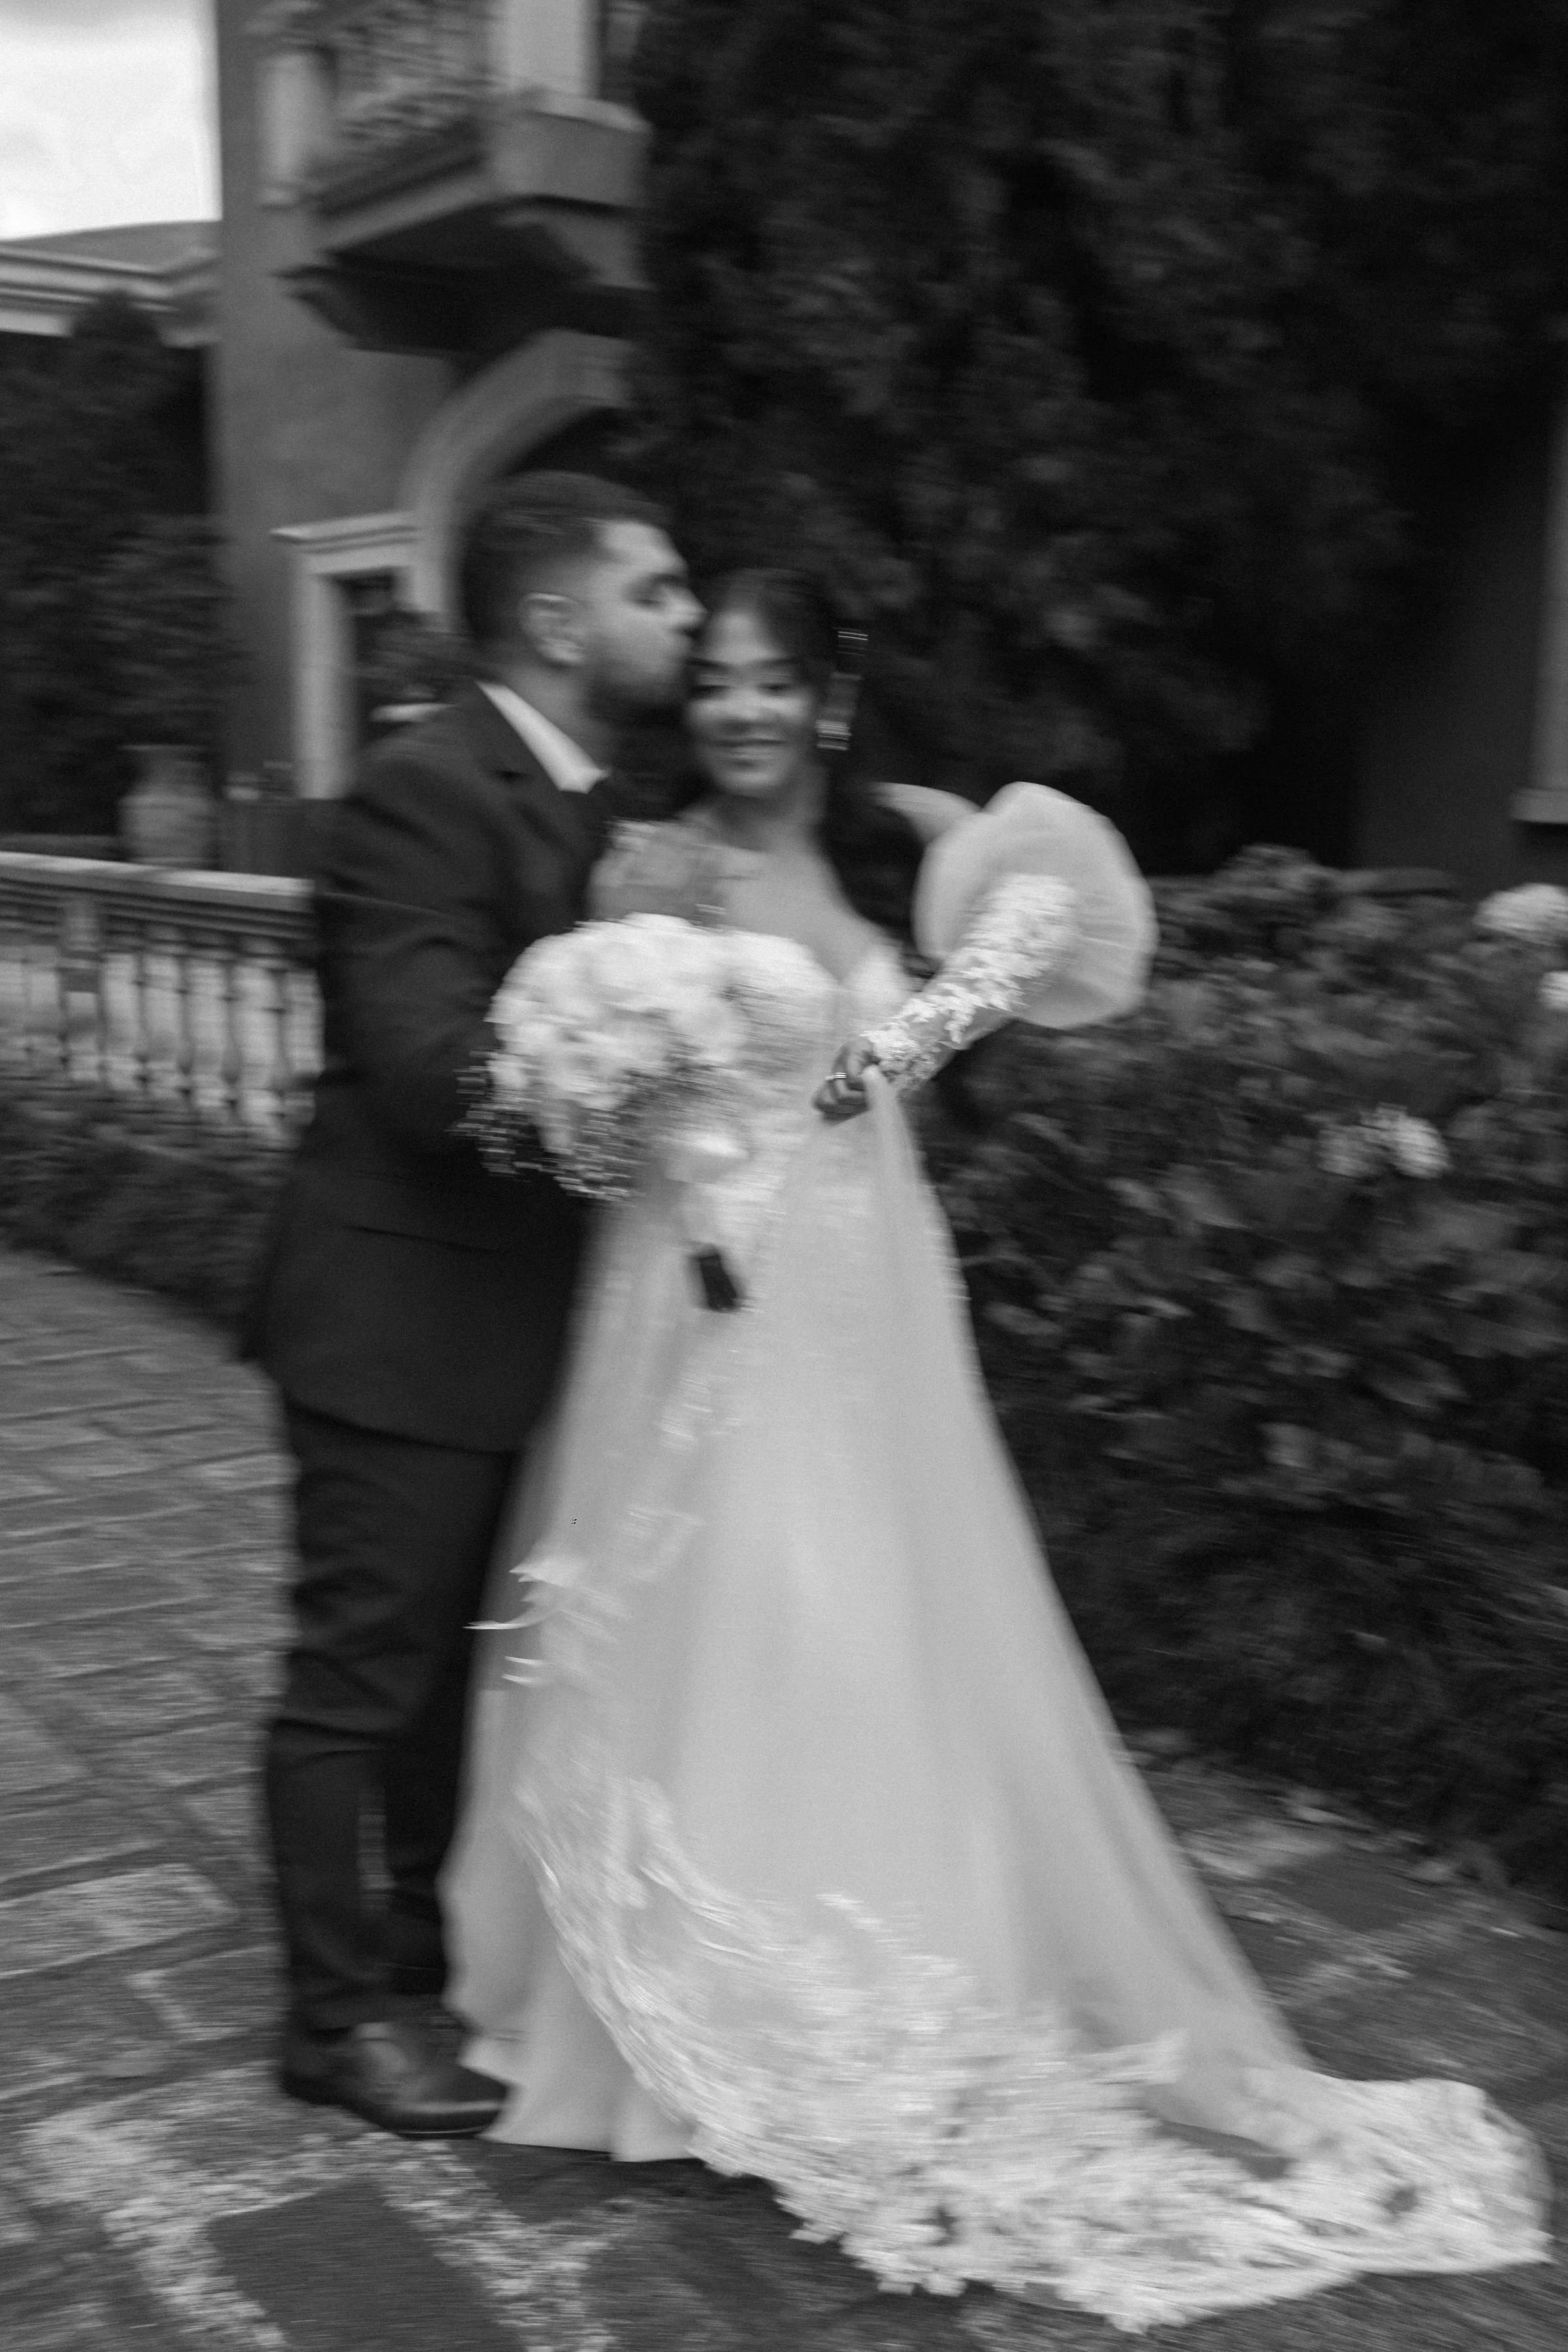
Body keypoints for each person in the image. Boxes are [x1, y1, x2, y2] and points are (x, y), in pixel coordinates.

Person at [442, 570, 1546, 2330]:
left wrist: (927, 1017)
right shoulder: (649, 864)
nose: (734, 709)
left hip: (863, 1292)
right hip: (692, 1294)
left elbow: (1023, 956)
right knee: (724, 1611)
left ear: (828, 693)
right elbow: (619, 1105)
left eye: (770, 679)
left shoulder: (917, 842)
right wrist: (653, 1119)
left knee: (871, 1618)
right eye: (711, 679)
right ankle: (684, 2002)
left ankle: (888, 1971)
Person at [246, 472, 703, 2137]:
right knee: (359, 1679)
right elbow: (432, 1069)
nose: (690, 619)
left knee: (452, 1677)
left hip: (522, 1337)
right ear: (559, 620)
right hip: (395, 1319)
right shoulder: (423, 787)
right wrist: (640, 1055)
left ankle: (432, 1965)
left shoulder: (614, 811)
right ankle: (332, 2019)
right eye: (658, 590)